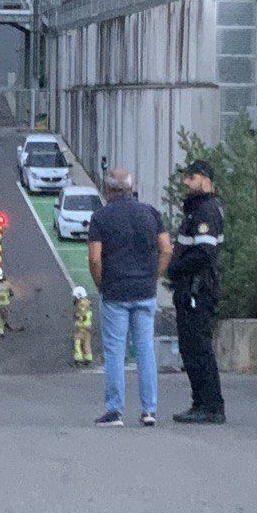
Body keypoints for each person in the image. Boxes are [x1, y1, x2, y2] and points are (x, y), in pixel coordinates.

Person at [86, 168, 171, 427]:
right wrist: (153, 277)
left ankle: (115, 411)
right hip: (144, 291)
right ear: (132, 188)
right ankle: (149, 410)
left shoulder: (100, 218)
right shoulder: (150, 213)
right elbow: (166, 249)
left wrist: (101, 284)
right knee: (145, 349)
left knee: (115, 352)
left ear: (108, 189)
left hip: (115, 291)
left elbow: (94, 258)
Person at [167, 159, 226, 424]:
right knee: (190, 347)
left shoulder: (206, 211)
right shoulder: (196, 210)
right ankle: (201, 402)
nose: (186, 182)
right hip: (190, 287)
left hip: (197, 288)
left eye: (191, 177)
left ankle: (210, 405)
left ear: (204, 179)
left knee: (198, 347)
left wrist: (175, 267)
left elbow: (204, 253)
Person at [72, 286, 93, 366]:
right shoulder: (87, 302)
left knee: (77, 342)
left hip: (82, 327)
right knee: (86, 343)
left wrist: (77, 317)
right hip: (87, 326)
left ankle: (78, 358)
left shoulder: (81, 304)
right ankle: (88, 358)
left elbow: (83, 315)